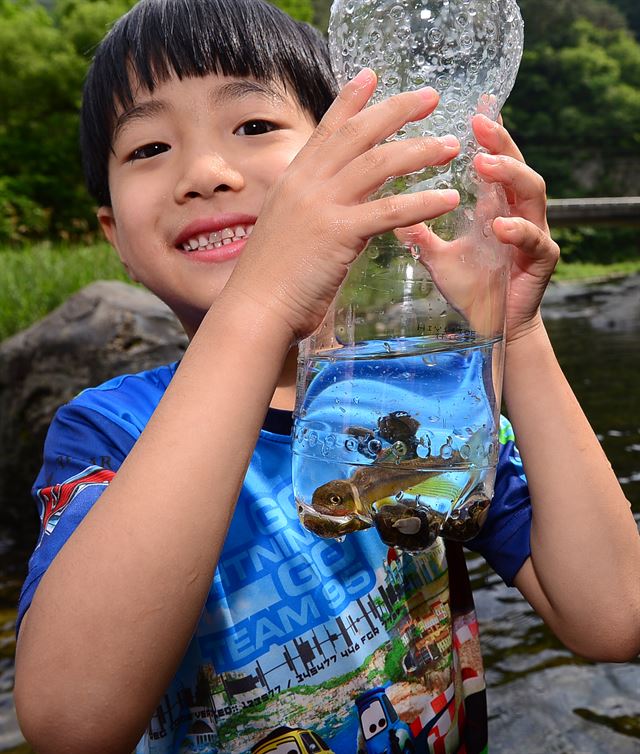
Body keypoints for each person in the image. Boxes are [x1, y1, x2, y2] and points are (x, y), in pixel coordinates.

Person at [13, 0, 640, 752]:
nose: (203, 174)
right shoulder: (111, 432)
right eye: (148, 148)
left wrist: (516, 330)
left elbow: (612, 614)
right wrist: (262, 302)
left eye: (252, 126)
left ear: (366, 167)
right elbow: (70, 722)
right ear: (115, 236)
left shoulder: (422, 408)